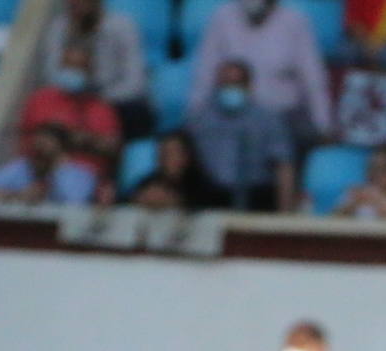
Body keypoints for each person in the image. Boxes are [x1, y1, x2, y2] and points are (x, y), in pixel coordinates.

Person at [190, 0, 332, 163]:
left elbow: (313, 80)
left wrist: (323, 125)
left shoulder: (295, 21)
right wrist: (195, 115)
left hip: (283, 118)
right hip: (234, 116)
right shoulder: (222, 18)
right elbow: (205, 74)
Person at [186, 60, 295, 212]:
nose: (231, 88)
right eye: (226, 83)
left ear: (249, 85)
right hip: (210, 194)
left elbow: (283, 165)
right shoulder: (200, 119)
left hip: (256, 194)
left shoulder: (268, 119)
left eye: (237, 83)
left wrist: (285, 211)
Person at [39, 0, 153, 139]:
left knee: (135, 113)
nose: (75, 3)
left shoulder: (122, 27)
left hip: (114, 100)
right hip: (72, 98)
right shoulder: (59, 28)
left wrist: (101, 99)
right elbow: (50, 74)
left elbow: (135, 83)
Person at [20, 43, 121, 190]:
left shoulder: (101, 107)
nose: (72, 72)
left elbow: (112, 148)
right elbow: (28, 138)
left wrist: (83, 139)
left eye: (78, 67)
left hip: (81, 170)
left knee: (69, 185)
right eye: (68, 66)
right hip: (36, 167)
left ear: (89, 71)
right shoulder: (41, 99)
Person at [0, 122, 97, 205]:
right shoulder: (22, 167)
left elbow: (74, 205)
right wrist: (16, 195)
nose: (39, 152)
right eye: (37, 146)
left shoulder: (82, 175)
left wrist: (47, 188)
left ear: (62, 149)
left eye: (45, 147)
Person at [127, 130, 221, 210]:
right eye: (162, 153)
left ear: (186, 156)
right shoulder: (151, 182)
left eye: (171, 153)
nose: (164, 158)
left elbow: (217, 204)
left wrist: (177, 201)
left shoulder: (201, 184)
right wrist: (139, 199)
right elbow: (126, 200)